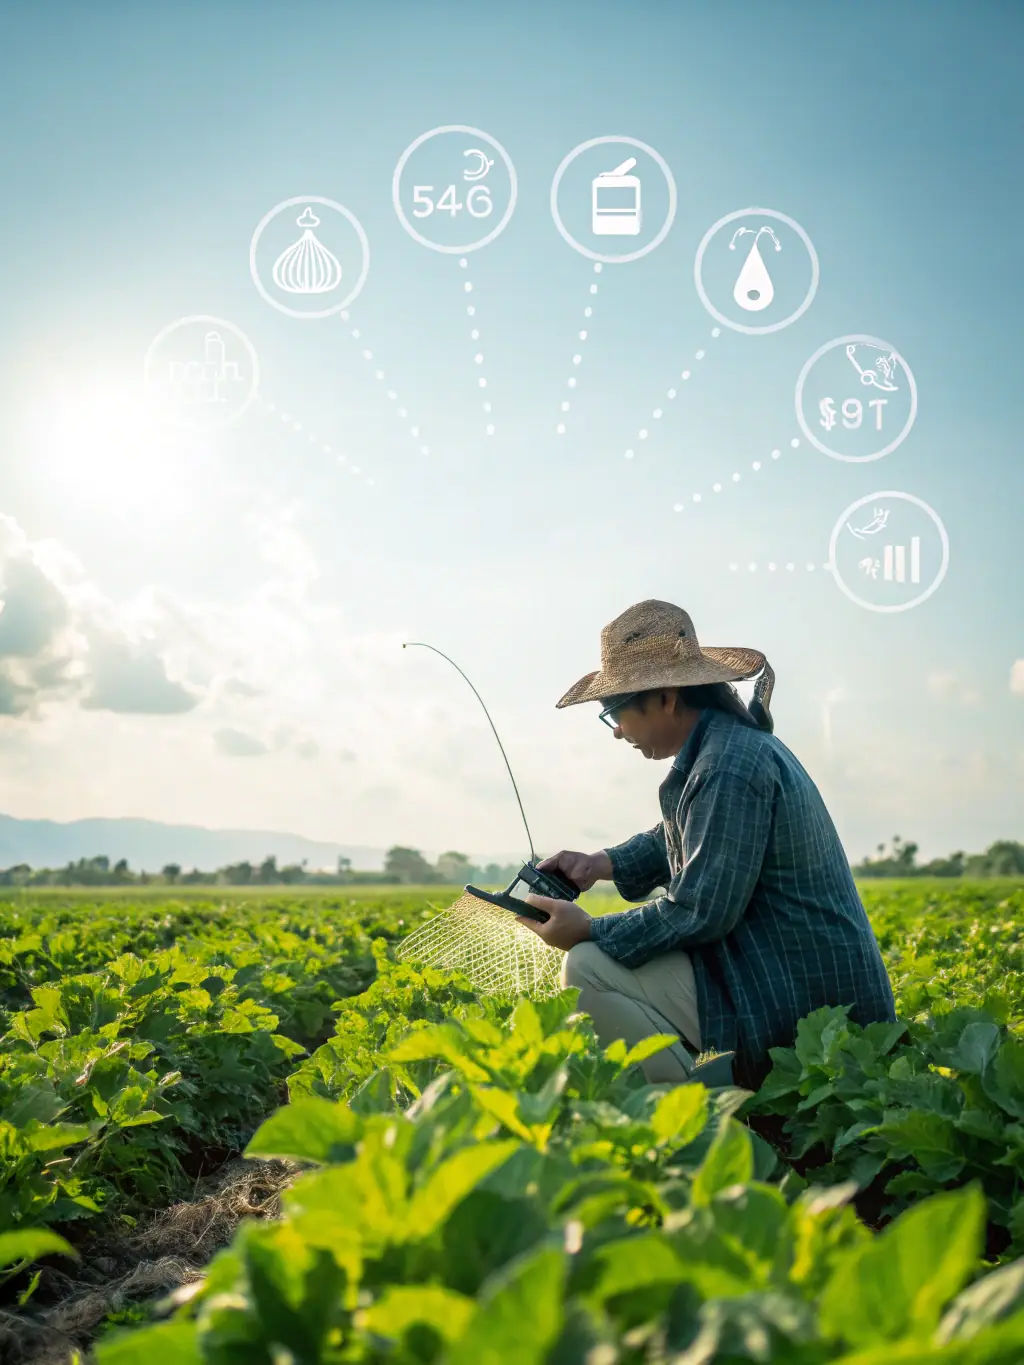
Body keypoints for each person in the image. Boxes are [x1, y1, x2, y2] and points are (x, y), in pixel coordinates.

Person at [516, 599, 896, 1092]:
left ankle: (712, 1115)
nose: (616, 731)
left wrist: (590, 929)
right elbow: (685, 834)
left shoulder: (728, 767)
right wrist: (598, 863)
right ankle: (708, 1088)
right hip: (782, 971)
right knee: (610, 959)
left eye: (616, 711)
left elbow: (700, 910)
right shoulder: (725, 749)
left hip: (806, 999)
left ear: (667, 697)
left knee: (589, 965)